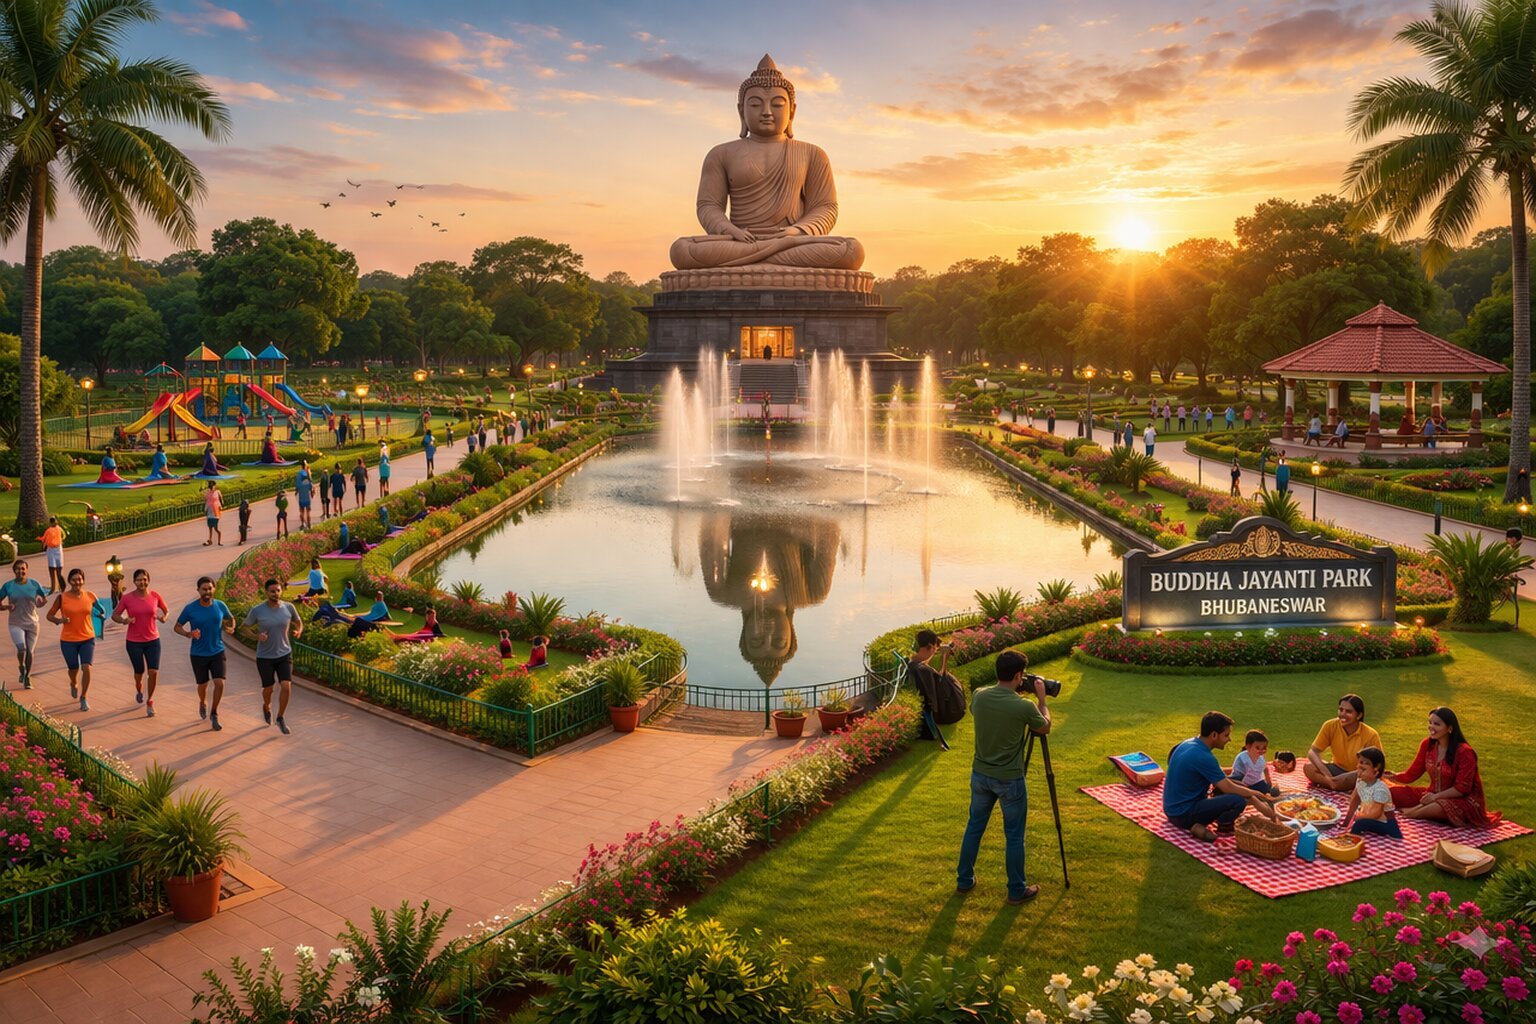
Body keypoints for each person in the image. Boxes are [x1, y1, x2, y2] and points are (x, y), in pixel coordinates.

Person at [954, 649, 1051, 904]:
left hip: (980, 775)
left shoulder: (979, 696)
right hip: (1010, 780)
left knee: (974, 827)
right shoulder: (1024, 706)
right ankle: (1016, 890)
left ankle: (964, 881)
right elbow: (1044, 727)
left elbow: (986, 711)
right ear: (1019, 675)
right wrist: (1042, 699)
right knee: (1014, 835)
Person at [1163, 711, 1278, 842]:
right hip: (1183, 813)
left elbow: (1223, 779)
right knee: (1237, 800)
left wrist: (1250, 793)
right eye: (1226, 735)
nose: (1229, 739)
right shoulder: (1204, 756)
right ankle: (1223, 826)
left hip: (1170, 809)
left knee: (1236, 788)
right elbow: (1228, 787)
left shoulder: (1188, 744)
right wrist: (1254, 794)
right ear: (1214, 735)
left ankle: (1197, 827)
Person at [1387, 706, 1498, 826]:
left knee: (1439, 806)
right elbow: (1411, 774)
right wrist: (1390, 776)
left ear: (1450, 728)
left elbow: (1462, 789)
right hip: (1431, 794)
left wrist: (1435, 797)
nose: (1431, 727)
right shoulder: (1427, 744)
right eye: (1430, 723)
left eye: (1437, 724)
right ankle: (1415, 811)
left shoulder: (1465, 752)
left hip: (1462, 801)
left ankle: (1411, 814)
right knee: (1391, 792)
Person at [174, 576, 235, 730]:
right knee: (202, 685)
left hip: (217, 651)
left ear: (213, 589)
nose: (207, 592)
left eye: (209, 588)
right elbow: (177, 626)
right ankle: (203, 701)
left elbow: (230, 619)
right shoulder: (190, 608)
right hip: (198, 653)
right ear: (198, 591)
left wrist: (231, 627)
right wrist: (188, 634)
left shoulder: (220, 606)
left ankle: (214, 713)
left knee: (219, 683)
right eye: (204, 589)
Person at [242, 579, 302, 733]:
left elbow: (298, 622)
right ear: (266, 592)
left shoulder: (289, 607)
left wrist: (298, 631)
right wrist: (257, 637)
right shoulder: (257, 610)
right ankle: (267, 705)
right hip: (265, 657)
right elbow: (244, 628)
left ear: (281, 591)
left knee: (286, 685)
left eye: (278, 590)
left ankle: (280, 717)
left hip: (284, 654)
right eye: (272, 591)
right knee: (268, 688)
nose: (275, 593)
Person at [112, 569, 168, 716]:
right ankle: (139, 687)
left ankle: (150, 701)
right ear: (134, 582)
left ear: (148, 580)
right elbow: (115, 615)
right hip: (133, 642)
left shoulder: (155, 596)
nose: (142, 582)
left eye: (144, 579)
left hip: (153, 640)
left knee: (153, 672)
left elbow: (165, 610)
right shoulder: (127, 598)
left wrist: (163, 617)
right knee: (139, 672)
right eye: (138, 580)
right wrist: (125, 620)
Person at [1303, 694, 1381, 792]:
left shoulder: (1370, 734)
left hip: (1356, 774)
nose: (1342, 714)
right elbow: (1313, 752)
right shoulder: (1330, 725)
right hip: (1336, 770)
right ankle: (1334, 785)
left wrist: (1359, 773)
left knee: (1361, 776)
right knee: (1308, 768)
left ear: (1359, 715)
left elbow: (1378, 766)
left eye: (1348, 711)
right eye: (1341, 709)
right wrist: (1327, 776)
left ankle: (1335, 785)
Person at [47, 568, 99, 711]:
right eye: (74, 579)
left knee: (86, 667)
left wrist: (101, 615)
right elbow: (49, 615)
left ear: (83, 580)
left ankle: (84, 697)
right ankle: (73, 682)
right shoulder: (62, 598)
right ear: (69, 581)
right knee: (73, 668)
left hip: (87, 638)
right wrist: (59, 620)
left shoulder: (90, 596)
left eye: (80, 579)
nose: (78, 582)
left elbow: (101, 610)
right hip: (68, 640)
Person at [907, 628, 961, 750]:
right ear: (930, 646)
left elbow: (924, 663)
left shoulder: (912, 663)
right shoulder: (924, 670)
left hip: (921, 705)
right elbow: (941, 680)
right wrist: (944, 659)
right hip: (929, 712)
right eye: (935, 648)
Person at [0, 559, 49, 689]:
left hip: (32, 623)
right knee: (22, 648)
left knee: (30, 651)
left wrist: (41, 603)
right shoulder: (8, 586)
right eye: (18, 569)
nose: (20, 571)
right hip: (15, 623)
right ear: (14, 571)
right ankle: (21, 665)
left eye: (23, 569)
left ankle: (27, 676)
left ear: (26, 570)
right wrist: (6, 607)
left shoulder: (34, 584)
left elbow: (42, 600)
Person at [1341, 747, 1401, 838]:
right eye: (1360, 763)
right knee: (1359, 822)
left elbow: (1376, 813)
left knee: (1359, 824)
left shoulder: (1380, 789)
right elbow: (1355, 800)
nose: (1360, 767)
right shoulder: (1360, 782)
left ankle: (1351, 839)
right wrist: (1347, 821)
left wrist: (1361, 818)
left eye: (1366, 765)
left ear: (1375, 771)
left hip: (1384, 822)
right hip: (1368, 817)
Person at [1228, 729, 1281, 797]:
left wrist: (1269, 782)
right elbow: (1237, 777)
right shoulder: (1243, 759)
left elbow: (1265, 769)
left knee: (1267, 791)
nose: (1261, 750)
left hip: (1256, 782)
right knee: (1240, 795)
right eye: (1258, 748)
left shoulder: (1261, 757)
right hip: (1241, 783)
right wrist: (1244, 788)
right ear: (1248, 746)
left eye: (1264, 748)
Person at [38, 516, 66, 593]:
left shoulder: (49, 530)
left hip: (52, 550)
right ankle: (59, 587)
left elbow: (43, 539)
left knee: (52, 570)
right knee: (58, 571)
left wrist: (40, 541)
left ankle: (55, 587)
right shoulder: (59, 529)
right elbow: (64, 536)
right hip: (57, 549)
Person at [203, 481, 224, 546]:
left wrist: (220, 506)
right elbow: (205, 500)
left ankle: (219, 541)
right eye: (211, 486)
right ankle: (210, 540)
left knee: (216, 528)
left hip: (216, 512)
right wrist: (205, 509)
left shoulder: (217, 492)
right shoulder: (207, 492)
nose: (212, 487)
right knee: (210, 528)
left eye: (213, 486)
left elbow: (221, 500)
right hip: (209, 511)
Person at [295, 462, 314, 529]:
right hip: (307, 497)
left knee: (302, 511)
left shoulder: (299, 474)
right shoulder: (307, 475)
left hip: (301, 497)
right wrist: (312, 492)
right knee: (308, 512)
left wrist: (296, 491)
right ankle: (309, 524)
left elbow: (297, 486)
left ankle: (303, 524)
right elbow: (311, 486)